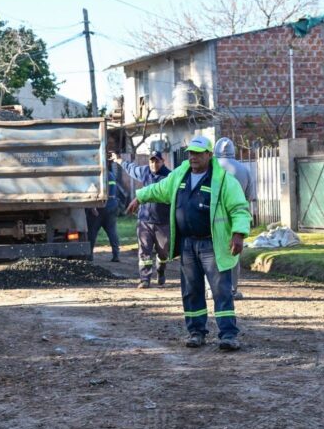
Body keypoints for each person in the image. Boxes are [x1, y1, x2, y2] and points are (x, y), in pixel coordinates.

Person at [126, 136, 251, 351]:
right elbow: (159, 189)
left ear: (209, 155)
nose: (193, 157)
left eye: (198, 153)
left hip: (213, 244)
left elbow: (239, 209)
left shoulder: (223, 181)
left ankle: (228, 335)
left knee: (221, 290)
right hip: (187, 245)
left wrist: (238, 234)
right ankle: (196, 332)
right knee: (191, 291)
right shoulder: (180, 175)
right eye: (191, 153)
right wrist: (140, 197)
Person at [110, 150, 171, 288]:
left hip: (163, 221)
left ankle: (161, 270)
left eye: (157, 161)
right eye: (152, 161)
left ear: (163, 161)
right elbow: (131, 168)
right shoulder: (144, 172)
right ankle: (145, 279)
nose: (154, 164)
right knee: (144, 250)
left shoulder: (169, 176)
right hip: (145, 220)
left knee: (163, 252)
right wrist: (118, 160)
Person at [214, 137, 256, 300]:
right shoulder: (244, 170)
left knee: (211, 254)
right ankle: (231, 289)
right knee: (233, 254)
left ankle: (212, 289)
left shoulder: (211, 168)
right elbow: (250, 196)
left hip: (214, 217)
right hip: (236, 219)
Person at [86, 160, 120, 262]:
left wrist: (92, 207)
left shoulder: (98, 177)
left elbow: (92, 193)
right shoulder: (111, 175)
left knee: (92, 232)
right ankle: (116, 255)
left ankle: (90, 255)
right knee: (112, 232)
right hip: (111, 207)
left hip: (99, 209)